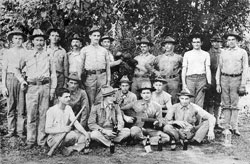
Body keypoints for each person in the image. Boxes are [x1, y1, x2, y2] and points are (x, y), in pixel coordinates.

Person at [15, 29, 57, 149]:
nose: (39, 42)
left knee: (43, 114)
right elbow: (16, 69)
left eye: (41, 40)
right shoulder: (27, 55)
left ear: (44, 41)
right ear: (32, 41)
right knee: (31, 114)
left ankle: (41, 141)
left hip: (45, 86)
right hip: (32, 87)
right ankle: (30, 140)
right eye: (37, 40)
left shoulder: (48, 55)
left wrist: (53, 89)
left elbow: (53, 73)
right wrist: (22, 81)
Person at [216, 31, 249, 136]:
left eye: (233, 40)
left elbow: (245, 69)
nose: (230, 42)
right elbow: (219, 68)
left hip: (236, 79)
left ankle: (234, 127)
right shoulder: (223, 52)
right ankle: (226, 127)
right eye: (229, 40)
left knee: (234, 104)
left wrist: (243, 84)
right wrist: (218, 83)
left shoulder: (242, 52)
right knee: (225, 104)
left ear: (237, 41)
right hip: (224, 79)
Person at [45, 88, 90, 156]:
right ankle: (75, 147)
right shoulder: (51, 111)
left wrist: (85, 133)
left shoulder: (68, 108)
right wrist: (63, 129)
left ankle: (71, 149)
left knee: (84, 136)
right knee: (72, 135)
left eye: (69, 96)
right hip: (54, 138)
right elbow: (47, 130)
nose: (69, 99)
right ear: (59, 98)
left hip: (66, 135)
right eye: (66, 97)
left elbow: (76, 123)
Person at [2, 28, 27, 139]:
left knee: (21, 106)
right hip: (10, 78)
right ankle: (11, 130)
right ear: (12, 40)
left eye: (20, 38)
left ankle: (20, 131)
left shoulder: (26, 52)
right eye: (16, 38)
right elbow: (4, 69)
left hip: (22, 78)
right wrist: (3, 86)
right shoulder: (8, 52)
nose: (18, 40)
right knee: (11, 105)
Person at [80, 26, 111, 106]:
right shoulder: (85, 50)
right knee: (90, 100)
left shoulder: (104, 50)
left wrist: (108, 81)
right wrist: (80, 80)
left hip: (102, 76)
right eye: (94, 35)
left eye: (98, 36)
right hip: (90, 77)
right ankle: (91, 118)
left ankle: (100, 118)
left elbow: (108, 67)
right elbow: (80, 66)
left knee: (101, 99)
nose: (96, 38)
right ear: (90, 36)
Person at [147, 36, 182, 103]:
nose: (167, 46)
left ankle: (172, 113)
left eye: (169, 44)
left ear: (173, 45)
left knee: (173, 99)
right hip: (162, 81)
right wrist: (155, 71)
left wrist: (179, 72)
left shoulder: (178, 57)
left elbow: (185, 66)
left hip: (173, 81)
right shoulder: (159, 57)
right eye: (165, 44)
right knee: (162, 99)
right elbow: (147, 64)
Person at [182, 33, 211, 108]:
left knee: (200, 102)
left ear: (201, 43)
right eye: (194, 42)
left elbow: (207, 69)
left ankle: (198, 119)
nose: (196, 44)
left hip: (201, 79)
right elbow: (184, 69)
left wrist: (209, 82)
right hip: (190, 79)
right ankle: (189, 119)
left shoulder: (206, 54)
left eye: (198, 42)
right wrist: (184, 84)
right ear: (191, 43)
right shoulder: (187, 54)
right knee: (189, 100)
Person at [204, 35, 224, 130]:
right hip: (211, 79)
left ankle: (217, 122)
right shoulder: (207, 53)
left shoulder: (224, 53)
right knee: (210, 102)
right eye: (214, 42)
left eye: (219, 42)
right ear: (211, 43)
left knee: (218, 101)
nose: (216, 44)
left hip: (221, 79)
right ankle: (210, 122)